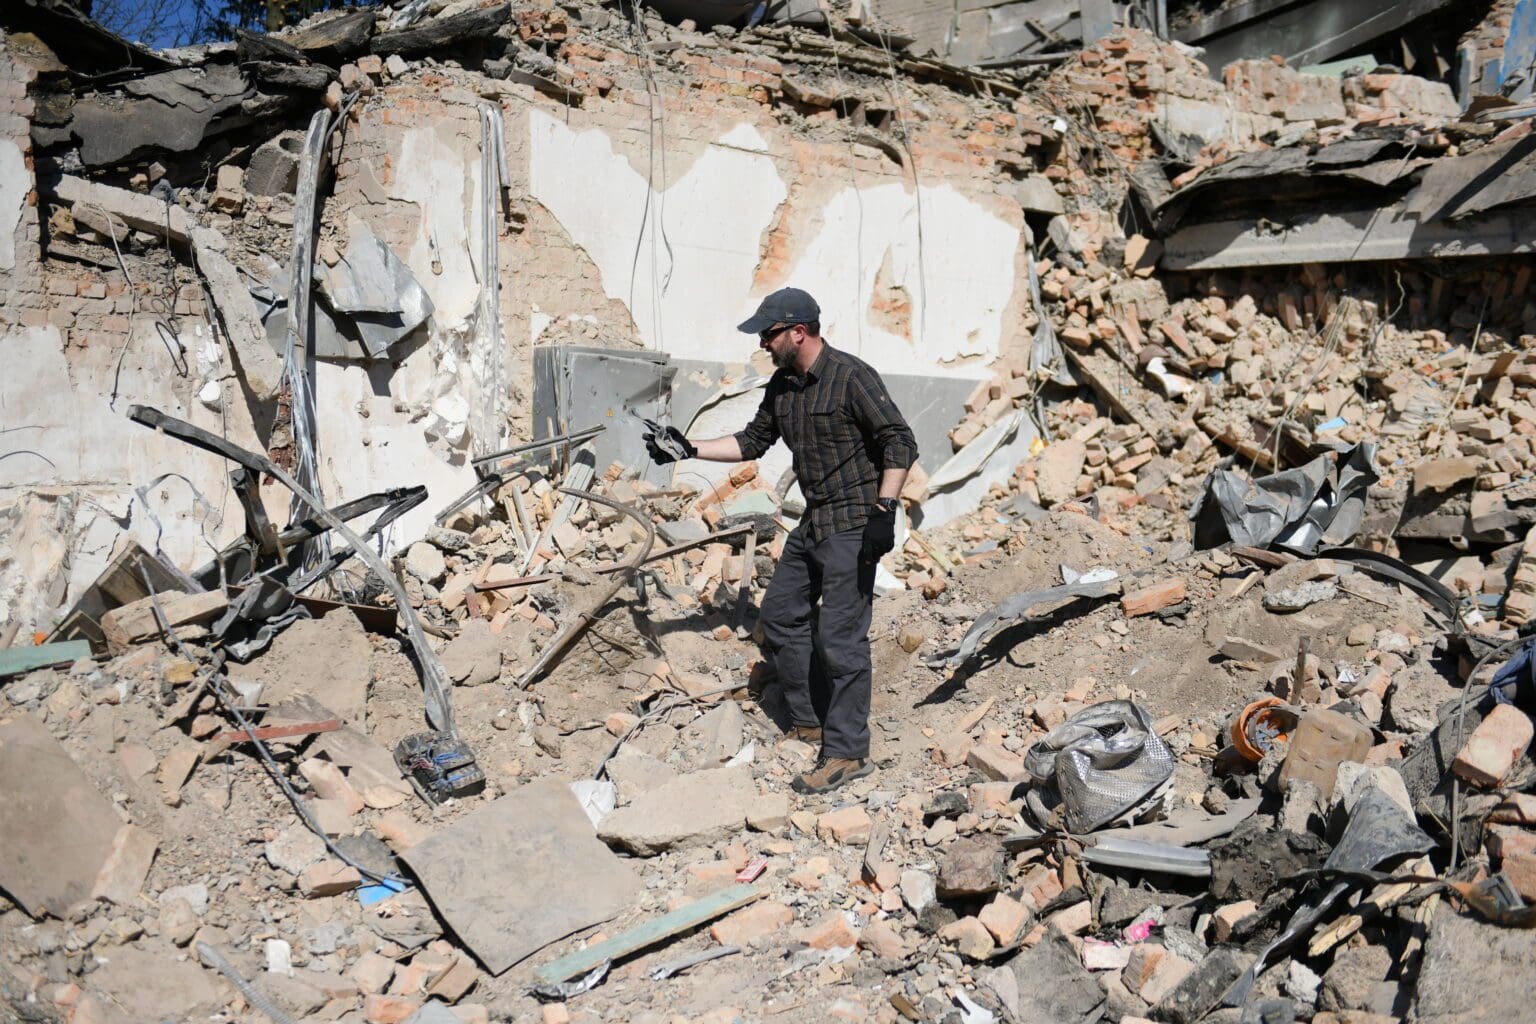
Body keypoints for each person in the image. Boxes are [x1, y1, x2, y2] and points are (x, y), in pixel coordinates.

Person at [644, 287, 917, 794]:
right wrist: (687, 448)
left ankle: (847, 751)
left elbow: (899, 440)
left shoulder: (851, 376)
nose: (763, 345)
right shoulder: (783, 386)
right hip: (815, 521)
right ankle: (811, 717)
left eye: (768, 335)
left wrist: (886, 508)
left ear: (798, 331)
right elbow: (752, 441)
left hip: (855, 521)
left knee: (841, 638)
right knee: (780, 616)